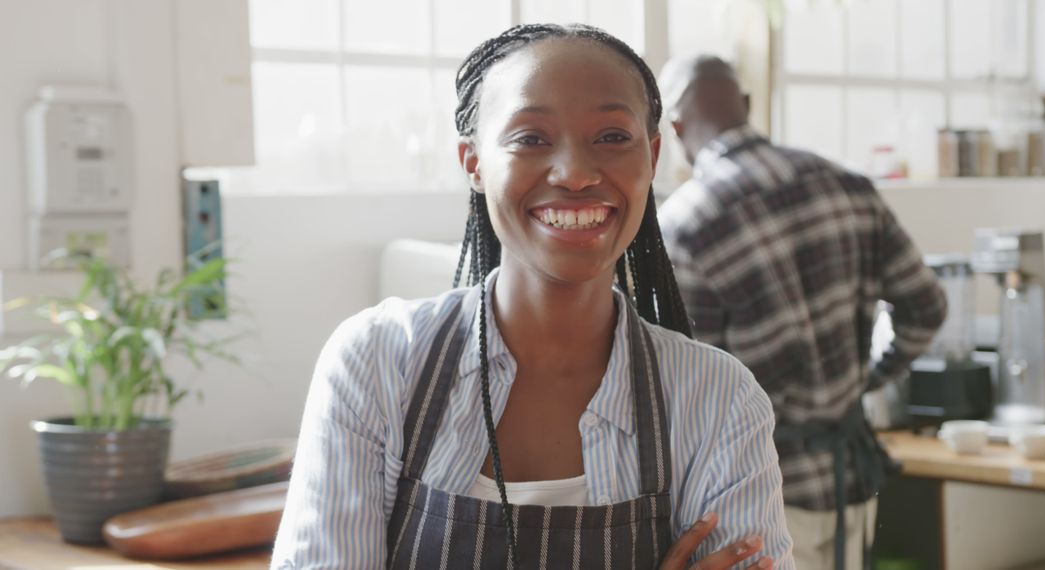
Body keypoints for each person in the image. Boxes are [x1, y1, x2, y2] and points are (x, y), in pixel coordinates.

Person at [272, 26, 793, 569]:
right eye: (531, 138)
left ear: (653, 155)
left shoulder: (718, 401)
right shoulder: (378, 362)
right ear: (473, 162)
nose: (574, 174)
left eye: (612, 137)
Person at [656, 55, 947, 570]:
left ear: (675, 129)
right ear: (746, 106)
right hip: (848, 481)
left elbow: (688, 393)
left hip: (754, 498)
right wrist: (865, 379)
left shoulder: (684, 224)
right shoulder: (847, 185)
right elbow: (926, 306)